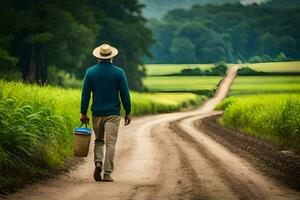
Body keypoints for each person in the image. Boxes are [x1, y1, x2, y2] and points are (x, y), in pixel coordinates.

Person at [80, 44, 131, 182]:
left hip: (97, 113)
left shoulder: (90, 72)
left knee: (99, 141)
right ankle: (107, 173)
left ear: (98, 57)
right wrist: (128, 111)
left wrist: (83, 113)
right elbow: (125, 94)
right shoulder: (119, 72)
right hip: (113, 114)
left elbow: (85, 95)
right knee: (111, 143)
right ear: (112, 57)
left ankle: (98, 163)